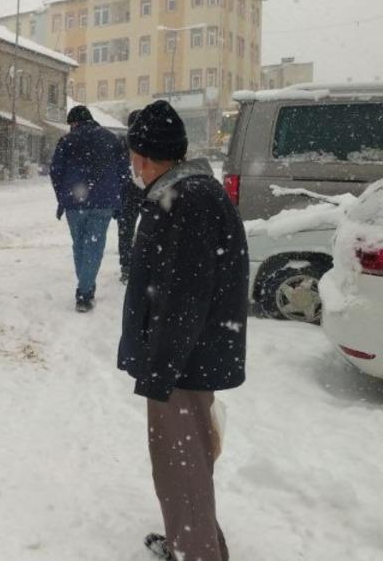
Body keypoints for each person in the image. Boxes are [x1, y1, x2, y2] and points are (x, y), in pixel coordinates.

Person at [119, 100, 249, 561]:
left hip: (183, 361)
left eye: (134, 155)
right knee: (188, 456)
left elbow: (185, 295)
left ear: (144, 156)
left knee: (181, 463)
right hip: (190, 354)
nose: (132, 165)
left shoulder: (186, 200)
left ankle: (195, 552)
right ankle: (198, 542)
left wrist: (161, 368)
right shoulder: (187, 192)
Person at [50, 105, 128, 312]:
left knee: (79, 245)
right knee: (94, 245)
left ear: (75, 123)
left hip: (75, 203)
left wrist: (62, 197)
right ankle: (85, 292)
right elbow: (123, 172)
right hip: (103, 202)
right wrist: (116, 196)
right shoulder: (112, 139)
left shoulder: (67, 141)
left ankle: (85, 290)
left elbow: (56, 171)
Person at [116, 109, 143, 284]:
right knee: (150, 229)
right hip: (148, 191)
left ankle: (126, 266)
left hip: (127, 192)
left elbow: (117, 169)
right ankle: (144, 264)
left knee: (125, 230)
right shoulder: (150, 141)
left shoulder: (122, 142)